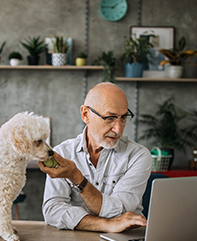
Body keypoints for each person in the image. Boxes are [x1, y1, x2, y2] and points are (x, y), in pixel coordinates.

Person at [38, 82, 152, 233]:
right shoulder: (63, 153)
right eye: (110, 118)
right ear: (86, 114)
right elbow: (52, 211)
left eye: (123, 118)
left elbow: (119, 212)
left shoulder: (138, 156)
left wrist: (76, 177)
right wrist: (106, 225)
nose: (118, 129)